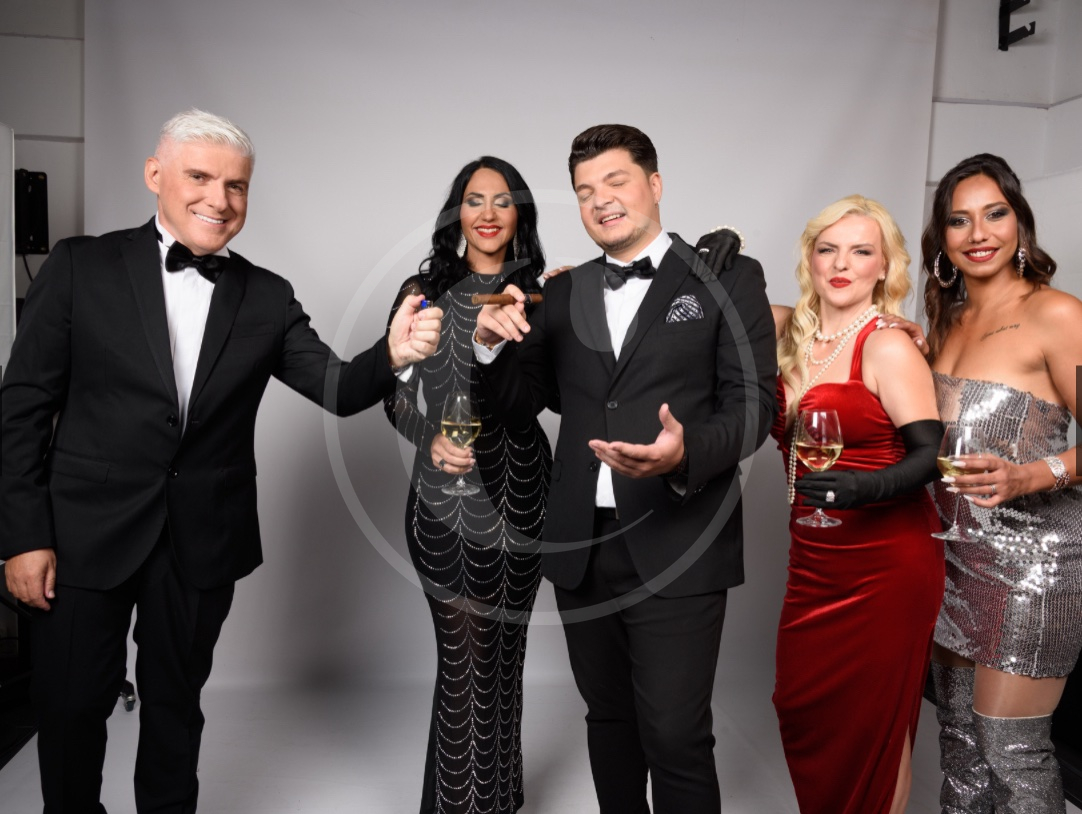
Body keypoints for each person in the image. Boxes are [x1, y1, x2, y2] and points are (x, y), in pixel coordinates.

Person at [0, 108, 443, 813]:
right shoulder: (81, 265)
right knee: (70, 705)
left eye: (237, 185)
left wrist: (392, 354)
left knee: (176, 708)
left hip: (201, 537)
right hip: (82, 532)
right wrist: (23, 535)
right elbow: (23, 406)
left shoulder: (266, 295)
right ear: (155, 175)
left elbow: (335, 389)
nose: (220, 199)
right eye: (200, 177)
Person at [474, 123, 777, 814]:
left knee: (674, 734)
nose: (600, 200)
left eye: (616, 181)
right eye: (585, 191)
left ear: (655, 184)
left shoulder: (727, 276)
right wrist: (489, 349)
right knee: (609, 722)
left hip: (680, 536)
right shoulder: (563, 292)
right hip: (581, 544)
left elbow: (753, 405)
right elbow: (524, 405)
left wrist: (685, 453)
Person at [383, 156, 552, 814]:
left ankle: (499, 801)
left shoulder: (541, 296)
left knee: (506, 659)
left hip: (525, 490)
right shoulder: (422, 292)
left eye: (502, 201)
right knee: (467, 664)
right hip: (447, 498)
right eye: (474, 200)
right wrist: (429, 437)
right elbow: (395, 396)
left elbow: (539, 399)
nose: (487, 213)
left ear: (519, 215)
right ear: (457, 212)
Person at [769, 195, 944, 814]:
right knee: (803, 709)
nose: (842, 264)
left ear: (884, 266)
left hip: (886, 566)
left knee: (874, 727)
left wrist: (865, 489)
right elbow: (697, 300)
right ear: (810, 259)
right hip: (813, 560)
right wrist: (576, 280)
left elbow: (930, 455)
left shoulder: (888, 345)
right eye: (828, 249)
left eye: (861, 251)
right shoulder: (786, 333)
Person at [918, 154, 1082, 813]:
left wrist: (1031, 474)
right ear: (942, 237)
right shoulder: (944, 320)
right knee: (959, 745)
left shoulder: (1057, 314)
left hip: (1035, 564)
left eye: (995, 214)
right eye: (959, 220)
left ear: (1020, 223)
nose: (979, 233)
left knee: (1011, 750)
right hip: (956, 560)